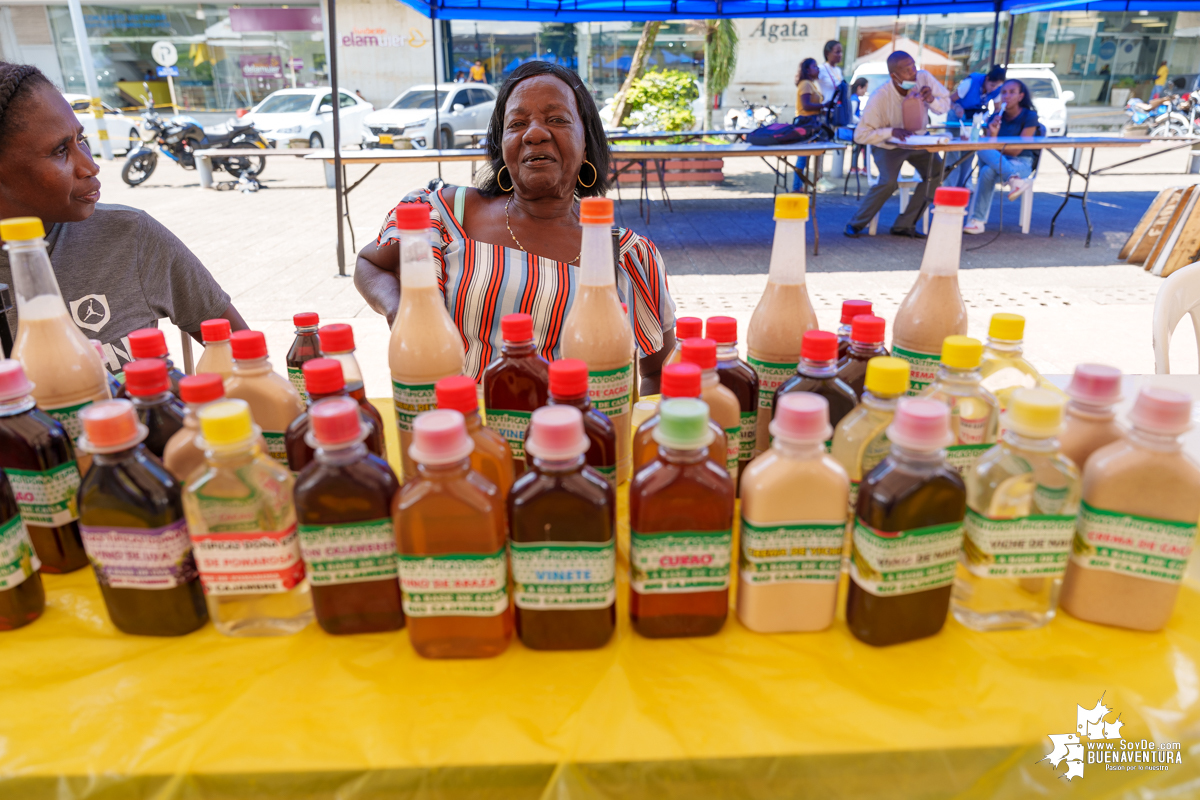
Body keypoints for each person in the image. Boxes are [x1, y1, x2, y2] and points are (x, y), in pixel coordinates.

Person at [354, 61, 676, 392]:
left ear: (586, 142)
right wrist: (400, 310)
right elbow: (370, 263)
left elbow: (658, 374)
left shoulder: (629, 257)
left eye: (557, 120)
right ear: (502, 146)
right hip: (463, 433)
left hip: (577, 439)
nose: (534, 133)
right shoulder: (446, 214)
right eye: (517, 123)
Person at [0, 62, 246, 373]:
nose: (90, 166)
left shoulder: (128, 236)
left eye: (81, 139)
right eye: (61, 150)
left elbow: (244, 351)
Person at [844, 51, 950, 239]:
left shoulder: (923, 78)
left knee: (938, 173)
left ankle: (905, 224)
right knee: (889, 182)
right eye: (907, 70)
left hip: (918, 141)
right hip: (889, 146)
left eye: (914, 66)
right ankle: (856, 223)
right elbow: (860, 135)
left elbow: (945, 104)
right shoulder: (880, 97)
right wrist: (891, 132)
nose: (914, 72)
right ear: (894, 76)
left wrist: (932, 99)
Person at [963, 79, 1040, 236]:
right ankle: (1013, 180)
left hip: (1022, 163)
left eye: (1012, 92)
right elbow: (991, 150)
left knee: (985, 163)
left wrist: (994, 144)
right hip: (999, 163)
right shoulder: (996, 117)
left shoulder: (1030, 116)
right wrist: (994, 133)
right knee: (986, 167)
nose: (1007, 96)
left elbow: (1017, 150)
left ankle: (977, 221)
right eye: (1004, 92)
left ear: (1021, 96)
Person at [946, 65, 1006, 187]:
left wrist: (992, 117)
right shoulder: (970, 82)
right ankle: (948, 185)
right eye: (992, 85)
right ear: (987, 79)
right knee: (953, 149)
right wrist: (956, 107)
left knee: (969, 150)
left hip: (974, 119)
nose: (993, 89)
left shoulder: (997, 90)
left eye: (997, 86)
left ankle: (964, 184)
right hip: (957, 117)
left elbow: (997, 108)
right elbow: (949, 100)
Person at [792, 58, 824, 191]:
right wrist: (823, 106)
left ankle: (802, 186)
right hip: (805, 123)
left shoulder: (811, 84)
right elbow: (806, 105)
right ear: (807, 69)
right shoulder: (805, 84)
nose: (817, 69)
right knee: (802, 156)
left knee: (806, 157)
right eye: (814, 66)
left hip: (812, 122)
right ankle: (796, 187)